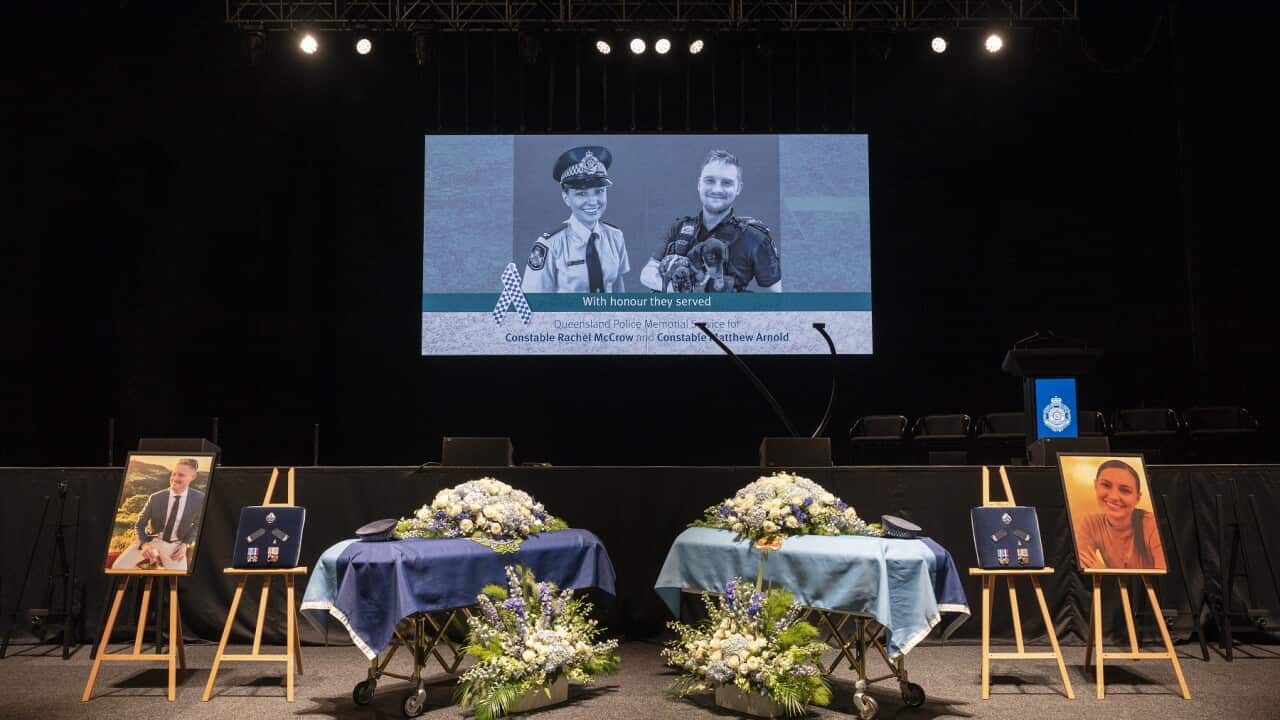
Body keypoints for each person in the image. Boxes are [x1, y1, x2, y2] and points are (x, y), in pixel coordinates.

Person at [640, 149, 781, 293]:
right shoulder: (679, 228)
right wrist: (680, 290)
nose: (716, 189)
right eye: (710, 180)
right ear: (699, 184)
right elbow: (647, 274)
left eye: (726, 183)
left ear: (738, 188)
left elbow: (779, 299)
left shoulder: (755, 239)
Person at [521, 146, 629, 293]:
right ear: (566, 198)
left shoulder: (615, 236)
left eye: (599, 191)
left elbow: (618, 288)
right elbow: (535, 302)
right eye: (582, 194)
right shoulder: (550, 245)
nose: (593, 201)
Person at [111, 458, 206, 571]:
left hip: (175, 545)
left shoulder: (200, 498)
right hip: (151, 541)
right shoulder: (155, 497)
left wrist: (185, 544)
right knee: (118, 567)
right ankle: (147, 571)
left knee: (181, 577)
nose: (175, 478)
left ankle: (154, 568)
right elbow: (140, 524)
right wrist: (145, 544)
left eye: (181, 475)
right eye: (173, 474)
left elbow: (197, 524)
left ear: (193, 476)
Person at [1074, 459, 1166, 571]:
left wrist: (1105, 573)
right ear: (1096, 485)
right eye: (1106, 485)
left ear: (1138, 498)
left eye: (1125, 490)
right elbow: (1083, 570)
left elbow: (1164, 580)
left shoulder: (1152, 524)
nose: (1114, 497)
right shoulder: (1090, 523)